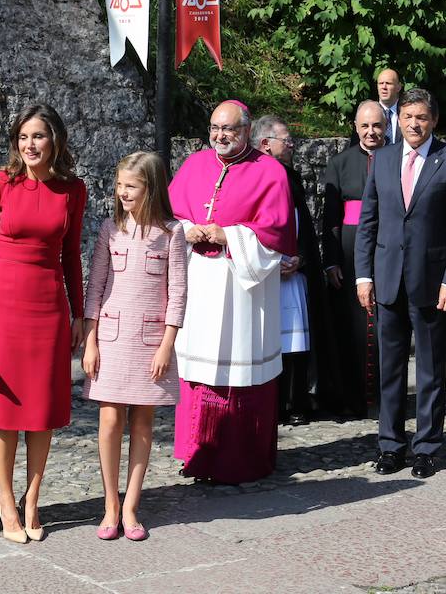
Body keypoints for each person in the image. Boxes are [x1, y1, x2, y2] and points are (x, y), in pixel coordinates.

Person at [0, 103, 86, 543]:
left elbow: (71, 255)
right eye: (23, 137)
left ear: (54, 140)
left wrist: (79, 314)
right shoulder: (1, 182)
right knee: (5, 407)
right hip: (4, 306)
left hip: (49, 307)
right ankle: (5, 499)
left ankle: (33, 498)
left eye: (38, 136)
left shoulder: (73, 190)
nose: (30, 145)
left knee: (42, 409)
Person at [168, 100, 296, 484]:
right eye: (215, 128)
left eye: (229, 130)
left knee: (239, 371)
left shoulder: (270, 172)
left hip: (243, 288)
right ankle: (196, 453)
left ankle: (240, 460)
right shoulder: (194, 165)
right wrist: (186, 229)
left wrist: (229, 234)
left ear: (247, 131)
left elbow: (276, 233)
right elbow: (168, 212)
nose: (220, 136)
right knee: (197, 369)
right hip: (200, 283)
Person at [355, 88, 446, 479]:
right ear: (396, 121)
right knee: (390, 369)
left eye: (421, 117)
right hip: (387, 280)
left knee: (432, 370)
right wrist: (363, 274)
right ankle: (390, 446)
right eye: (407, 118)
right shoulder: (383, 160)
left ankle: (427, 448)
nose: (414, 124)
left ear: (433, 120)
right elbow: (368, 222)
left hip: (433, 283)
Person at [81, 152, 187, 541]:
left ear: (151, 188)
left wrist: (166, 345)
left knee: (143, 422)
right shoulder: (111, 228)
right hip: (111, 340)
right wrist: (90, 341)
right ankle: (109, 503)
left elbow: (177, 293)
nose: (122, 192)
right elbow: (95, 289)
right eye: (119, 185)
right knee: (109, 419)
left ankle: (131, 506)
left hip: (150, 342)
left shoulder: (172, 233)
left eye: (131, 186)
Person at [251, 115, 332, 425]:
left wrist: (301, 258)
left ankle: (295, 401)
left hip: (292, 272)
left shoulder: (291, 178)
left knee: (296, 341)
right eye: (286, 140)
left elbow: (303, 229)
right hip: (265, 274)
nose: (292, 145)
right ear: (265, 144)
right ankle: (272, 403)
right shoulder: (255, 177)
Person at [323, 101, 387, 417]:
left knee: (385, 324)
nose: (371, 131)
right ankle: (353, 397)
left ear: (386, 125)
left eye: (376, 125)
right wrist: (331, 261)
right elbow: (330, 218)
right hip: (349, 251)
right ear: (356, 126)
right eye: (365, 126)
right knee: (353, 326)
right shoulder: (339, 163)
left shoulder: (397, 158)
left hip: (388, 247)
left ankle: (387, 398)